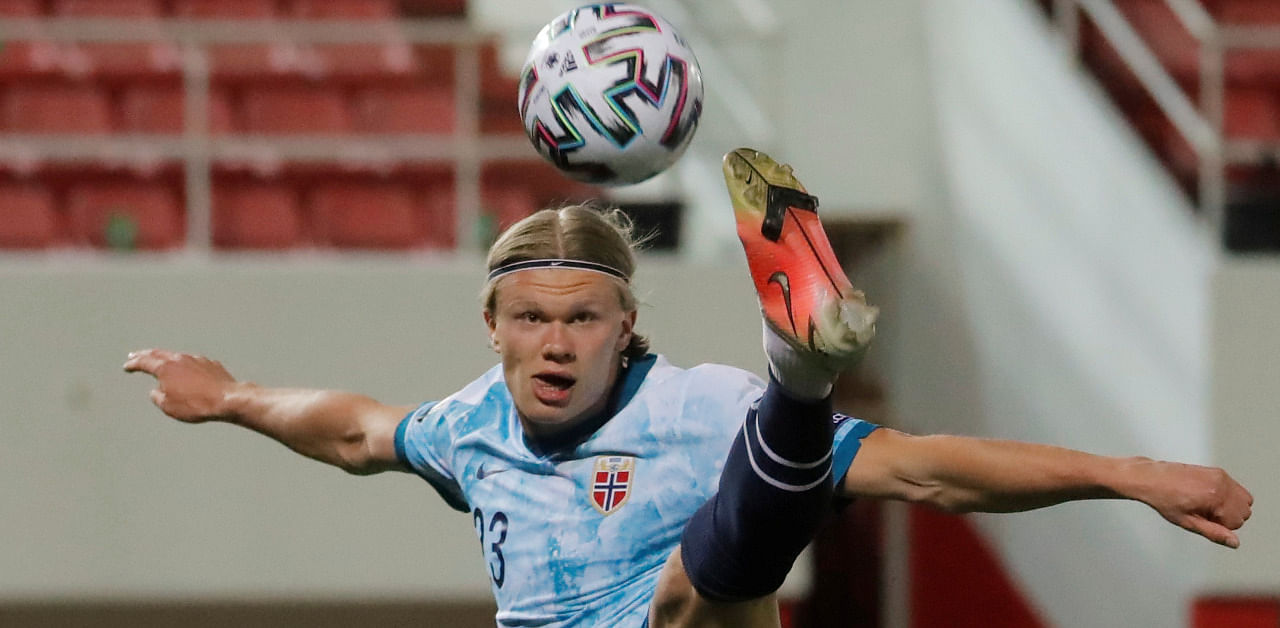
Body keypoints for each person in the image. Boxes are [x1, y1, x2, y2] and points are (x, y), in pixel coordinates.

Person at [124, 148, 1253, 628]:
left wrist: (1125, 473)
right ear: (491, 325)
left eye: (582, 319)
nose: (556, 343)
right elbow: (354, 431)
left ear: (627, 327)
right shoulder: (469, 426)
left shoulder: (693, 408)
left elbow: (929, 472)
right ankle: (799, 386)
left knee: (685, 596)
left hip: (705, 611)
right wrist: (229, 397)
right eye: (531, 318)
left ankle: (799, 380)